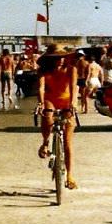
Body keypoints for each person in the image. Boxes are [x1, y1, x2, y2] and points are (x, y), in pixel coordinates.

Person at [36, 45, 78, 189]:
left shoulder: (72, 69)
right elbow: (41, 88)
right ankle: (46, 142)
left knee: (67, 143)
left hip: (67, 101)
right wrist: (40, 103)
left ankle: (70, 176)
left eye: (62, 57)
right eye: (56, 58)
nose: (60, 60)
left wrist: (73, 104)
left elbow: (73, 87)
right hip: (50, 100)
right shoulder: (43, 71)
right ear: (50, 59)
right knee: (47, 114)